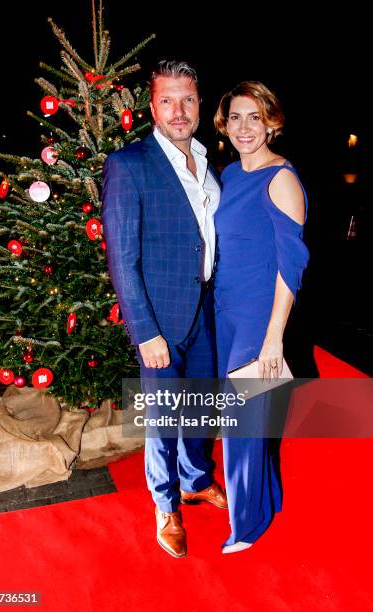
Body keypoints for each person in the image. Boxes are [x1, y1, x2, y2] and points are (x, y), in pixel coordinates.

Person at [102, 60, 227, 559]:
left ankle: (196, 480)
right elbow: (121, 257)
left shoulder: (206, 159)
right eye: (168, 100)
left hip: (208, 310)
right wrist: (144, 331)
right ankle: (165, 505)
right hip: (159, 319)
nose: (179, 111)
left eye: (188, 99)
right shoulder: (129, 163)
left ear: (199, 104)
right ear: (151, 106)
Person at [213, 81, 310, 553]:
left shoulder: (282, 178)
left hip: (257, 317)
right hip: (223, 310)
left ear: (272, 121)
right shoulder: (228, 175)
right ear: (224, 124)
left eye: (254, 117)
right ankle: (266, 500)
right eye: (235, 117)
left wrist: (274, 337)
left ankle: (246, 525)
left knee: (240, 424)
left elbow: (291, 265)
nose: (244, 127)